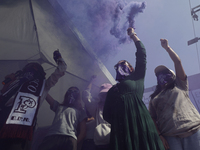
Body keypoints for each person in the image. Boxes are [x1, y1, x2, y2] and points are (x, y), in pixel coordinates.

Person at [103, 27, 165, 150]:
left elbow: (142, 53)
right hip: (122, 131)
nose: (120, 67)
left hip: (142, 125)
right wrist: (121, 120)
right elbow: (106, 114)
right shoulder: (112, 90)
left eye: (123, 64)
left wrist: (133, 35)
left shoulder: (137, 78)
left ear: (131, 68)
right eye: (118, 66)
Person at [0, 50, 67, 150]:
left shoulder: (44, 85)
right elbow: (2, 97)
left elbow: (61, 70)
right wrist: (10, 81)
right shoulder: (18, 82)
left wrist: (59, 58)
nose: (31, 72)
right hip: (4, 118)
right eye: (29, 69)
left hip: (21, 127)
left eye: (34, 69)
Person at [149, 39, 200, 150]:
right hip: (170, 137)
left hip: (193, 130)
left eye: (165, 73)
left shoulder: (180, 85)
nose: (161, 76)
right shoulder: (154, 98)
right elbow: (152, 119)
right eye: (159, 75)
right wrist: (160, 136)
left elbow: (177, 62)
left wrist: (167, 48)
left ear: (172, 76)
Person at [82, 75, 112, 150]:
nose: (105, 97)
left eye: (107, 94)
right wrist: (91, 82)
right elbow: (86, 97)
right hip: (101, 143)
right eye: (103, 95)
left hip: (115, 142)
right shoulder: (97, 108)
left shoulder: (118, 107)